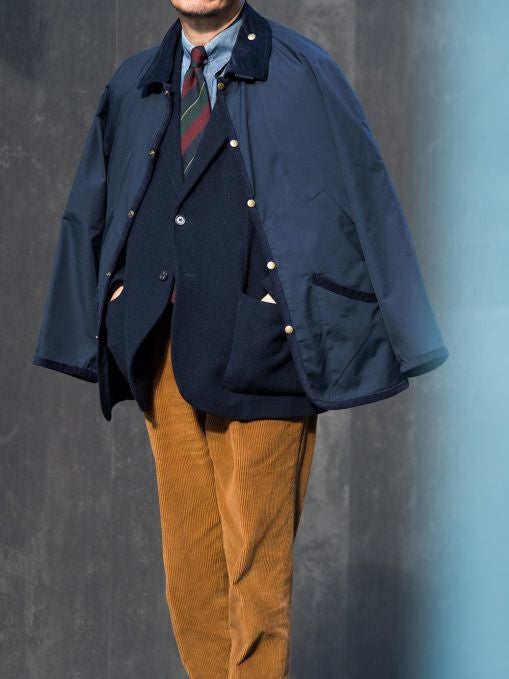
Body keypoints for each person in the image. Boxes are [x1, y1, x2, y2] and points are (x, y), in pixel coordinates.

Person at [32, 1, 449, 676]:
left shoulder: (304, 72)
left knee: (256, 583)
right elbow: (92, 206)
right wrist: (112, 302)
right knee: (192, 578)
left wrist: (397, 328)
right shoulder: (134, 81)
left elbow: (363, 190)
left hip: (266, 352)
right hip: (161, 351)